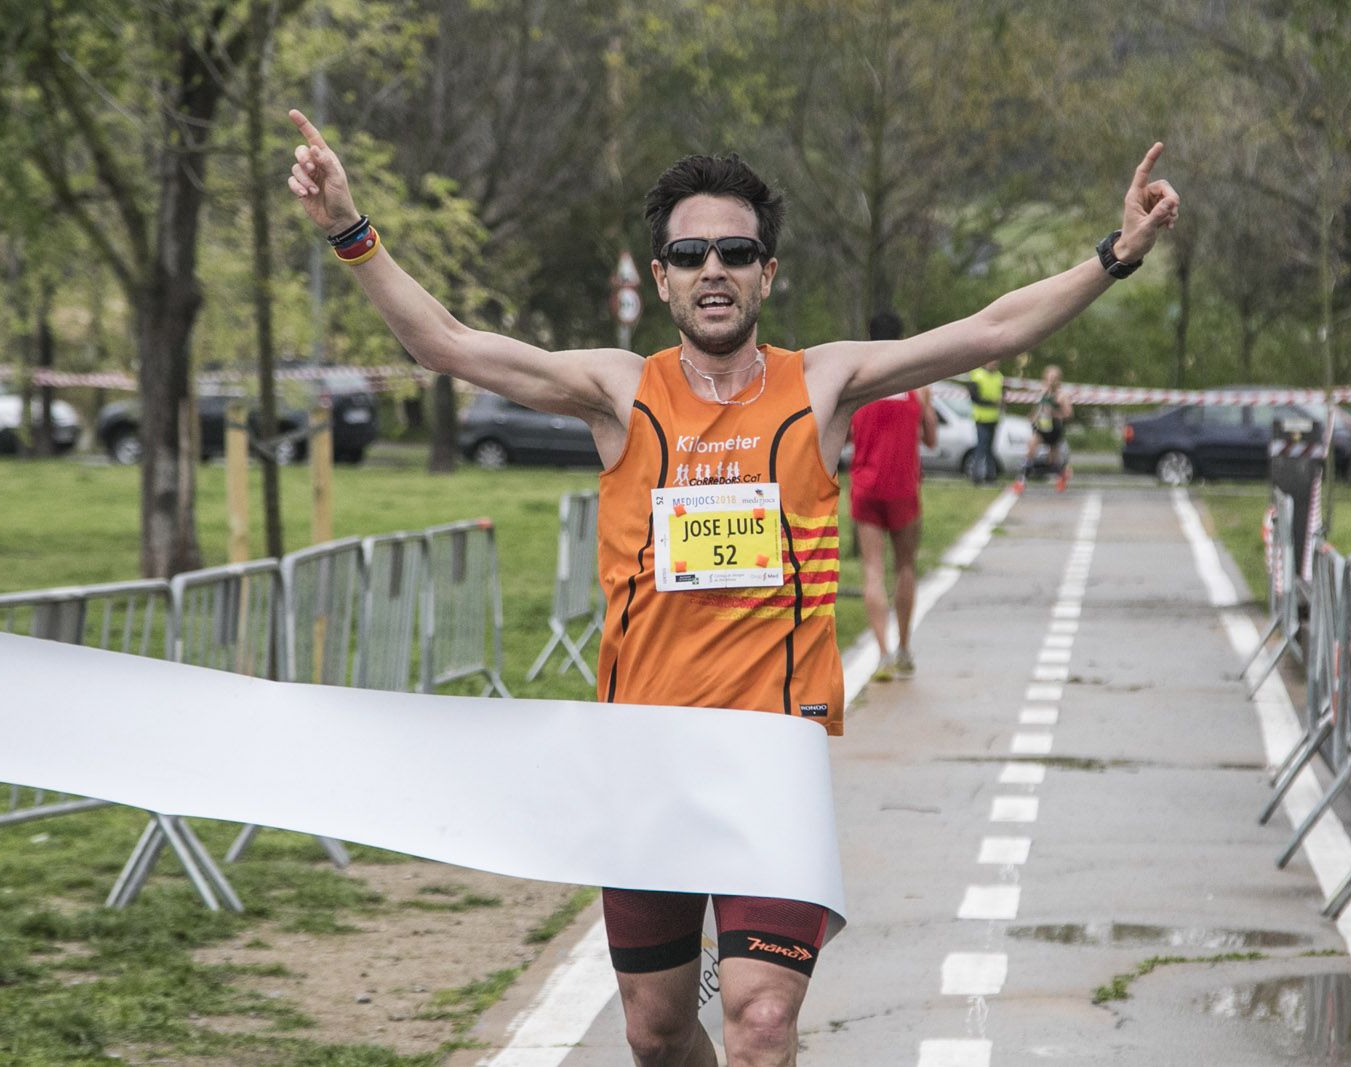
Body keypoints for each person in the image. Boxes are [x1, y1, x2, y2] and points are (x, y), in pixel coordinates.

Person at [285, 110, 1178, 1067]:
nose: (714, 268)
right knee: (658, 1032)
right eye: (691, 253)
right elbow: (449, 344)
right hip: (645, 758)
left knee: (760, 1023)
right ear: (661, 276)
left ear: (767, 272)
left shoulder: (823, 383)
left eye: (736, 251)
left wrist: (1116, 255)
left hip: (771, 759)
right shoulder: (619, 390)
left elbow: (990, 329)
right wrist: (349, 229)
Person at [849, 311, 937, 680]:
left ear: (869, 337)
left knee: (872, 569)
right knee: (905, 567)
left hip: (866, 486)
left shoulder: (858, 384)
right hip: (904, 487)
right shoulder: (917, 385)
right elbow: (931, 438)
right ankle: (904, 648)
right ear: (901, 339)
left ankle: (882, 653)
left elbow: (848, 433)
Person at [1015, 364, 1075, 494]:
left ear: (1058, 380)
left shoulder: (1062, 396)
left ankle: (1062, 475)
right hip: (1041, 429)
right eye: (1049, 378)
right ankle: (1021, 481)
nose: (1051, 381)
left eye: (1054, 378)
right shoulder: (1042, 392)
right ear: (1045, 379)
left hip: (1055, 430)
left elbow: (1069, 414)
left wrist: (1054, 413)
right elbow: (1039, 408)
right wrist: (1033, 416)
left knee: (1052, 461)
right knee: (1030, 449)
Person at [966, 359, 1005, 485]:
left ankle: (990, 475)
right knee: (981, 447)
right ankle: (976, 475)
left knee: (990, 448)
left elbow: (1002, 394)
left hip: (994, 418)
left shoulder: (999, 377)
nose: (994, 364)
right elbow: (974, 398)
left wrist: (1001, 404)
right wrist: (993, 403)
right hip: (981, 418)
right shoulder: (977, 375)